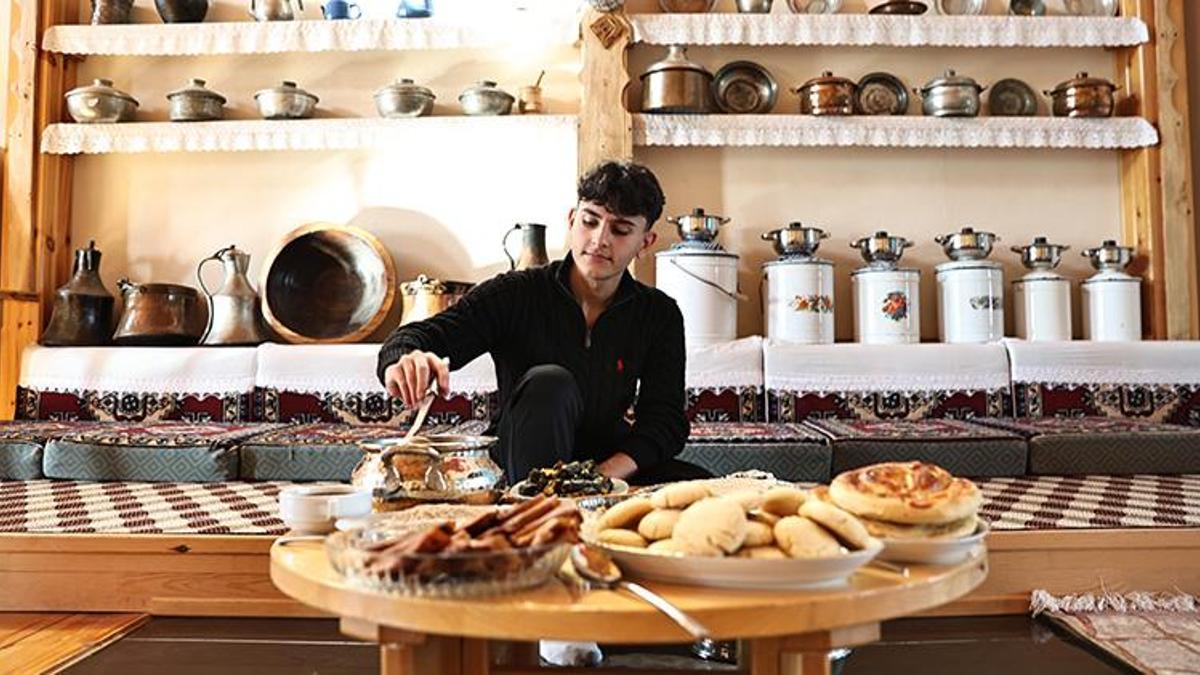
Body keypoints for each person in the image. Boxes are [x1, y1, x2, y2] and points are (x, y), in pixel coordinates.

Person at [377, 160, 708, 485]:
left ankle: (576, 494)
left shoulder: (658, 314)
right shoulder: (515, 292)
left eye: (620, 230)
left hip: (605, 460)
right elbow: (422, 336)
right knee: (550, 381)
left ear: (645, 243)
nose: (599, 239)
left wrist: (599, 478)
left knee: (706, 490)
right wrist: (405, 359)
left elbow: (664, 421)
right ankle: (538, 510)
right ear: (571, 220)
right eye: (589, 221)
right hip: (522, 457)